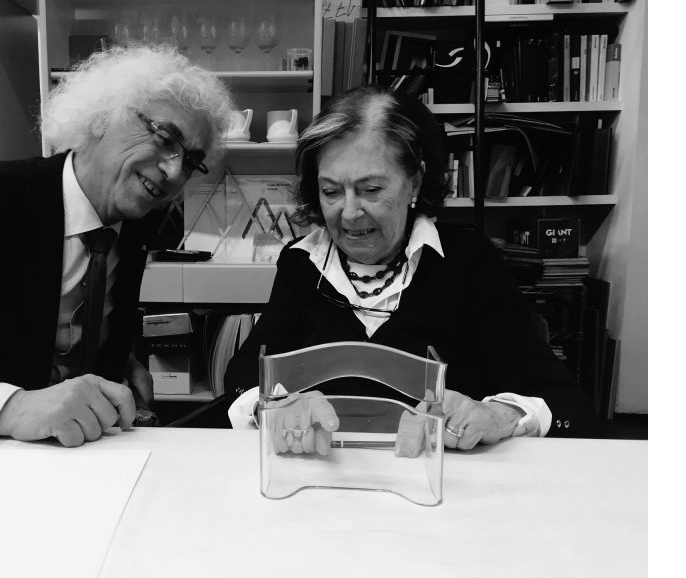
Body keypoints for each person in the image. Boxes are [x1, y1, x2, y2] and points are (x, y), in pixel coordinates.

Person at [0, 45, 234, 449]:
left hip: (83, 455)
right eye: (164, 138)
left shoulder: (138, 220)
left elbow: (49, 319)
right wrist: (9, 407)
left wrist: (112, 354)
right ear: (102, 116)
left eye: (190, 161)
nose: (174, 171)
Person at [225, 86, 594, 453]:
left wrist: (497, 414)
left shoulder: (470, 263)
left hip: (443, 480)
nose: (349, 213)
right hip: (322, 477)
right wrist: (276, 406)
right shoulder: (301, 262)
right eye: (331, 191)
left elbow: (561, 399)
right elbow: (243, 377)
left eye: (371, 189)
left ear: (414, 181)